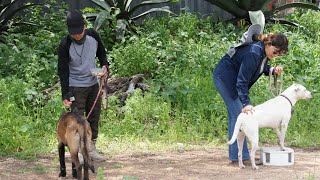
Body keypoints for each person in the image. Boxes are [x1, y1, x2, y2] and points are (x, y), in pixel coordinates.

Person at [212, 26, 289, 162]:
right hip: (224, 78)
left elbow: (260, 67)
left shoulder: (262, 52)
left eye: (279, 54)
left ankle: (240, 155)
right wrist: (246, 103)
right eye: (275, 52)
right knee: (238, 115)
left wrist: (272, 70)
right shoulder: (254, 52)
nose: (275, 55)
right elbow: (242, 81)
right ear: (269, 44)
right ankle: (238, 156)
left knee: (237, 116)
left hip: (233, 80)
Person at [58, 10, 109, 162]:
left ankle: (91, 148)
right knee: (77, 121)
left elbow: (102, 53)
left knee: (94, 117)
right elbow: (63, 71)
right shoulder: (65, 44)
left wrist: (105, 66)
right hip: (75, 85)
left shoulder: (93, 36)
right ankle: (78, 151)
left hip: (93, 83)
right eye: (73, 33)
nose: (77, 36)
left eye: (79, 32)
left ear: (85, 27)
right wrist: (65, 94)